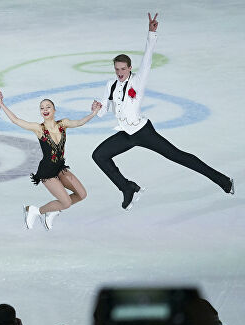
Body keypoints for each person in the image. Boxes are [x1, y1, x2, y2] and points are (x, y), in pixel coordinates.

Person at [91, 13, 234, 210]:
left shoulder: (137, 81)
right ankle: (127, 188)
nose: (120, 72)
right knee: (99, 155)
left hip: (143, 131)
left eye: (123, 69)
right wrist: (97, 108)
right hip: (126, 134)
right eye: (117, 69)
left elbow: (148, 58)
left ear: (130, 68)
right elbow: (104, 109)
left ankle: (223, 181)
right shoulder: (110, 85)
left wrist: (151, 33)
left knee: (178, 156)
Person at [0, 90, 97, 229]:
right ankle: (35, 211)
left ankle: (53, 210)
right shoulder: (39, 128)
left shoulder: (63, 124)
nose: (45, 110)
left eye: (48, 107)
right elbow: (16, 120)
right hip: (47, 171)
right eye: (42, 108)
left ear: (54, 110)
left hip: (60, 168)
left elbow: (79, 122)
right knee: (66, 203)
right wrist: (1, 103)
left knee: (82, 194)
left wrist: (93, 113)